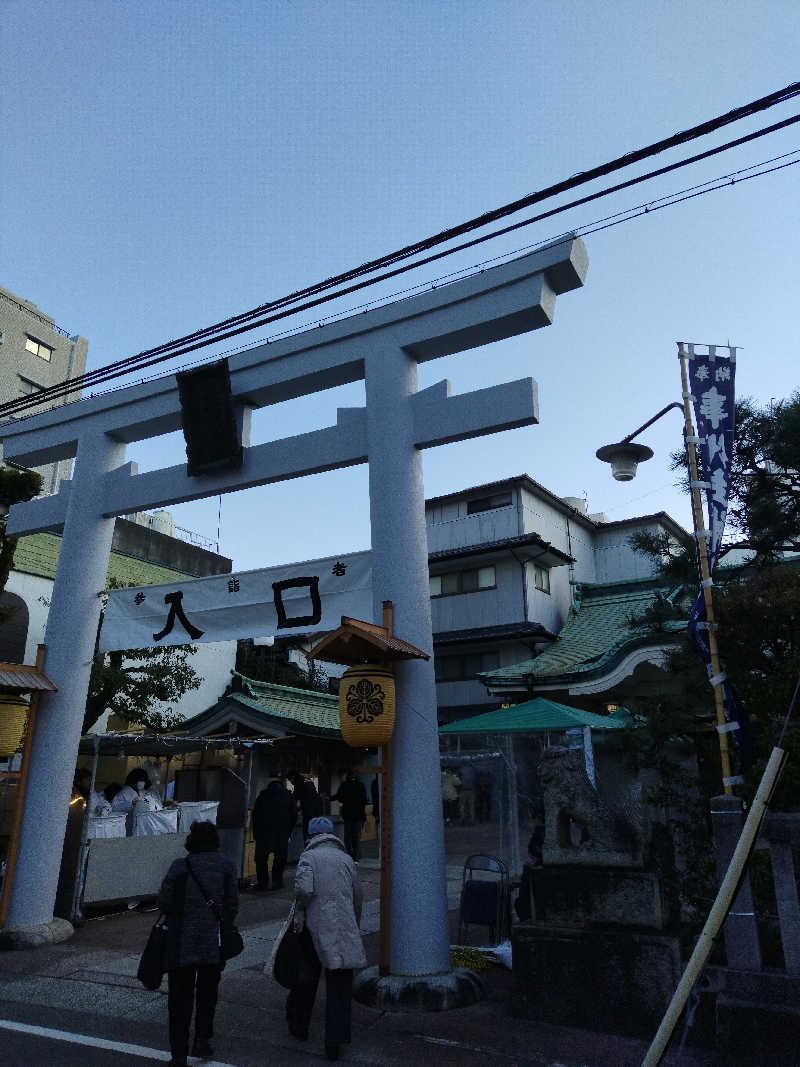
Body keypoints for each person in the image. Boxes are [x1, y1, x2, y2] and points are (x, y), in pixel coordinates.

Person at [157, 820, 238, 1067]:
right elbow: (232, 904)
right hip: (213, 940)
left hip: (181, 941)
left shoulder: (180, 867)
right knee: (208, 993)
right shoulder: (226, 866)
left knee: (179, 999)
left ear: (191, 841)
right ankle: (203, 1039)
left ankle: (178, 1053)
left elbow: (164, 902)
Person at [287, 816, 366, 1061]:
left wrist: (300, 909)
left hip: (314, 926)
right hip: (343, 926)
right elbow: (358, 895)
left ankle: (299, 1026)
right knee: (340, 984)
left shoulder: (308, 857)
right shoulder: (346, 860)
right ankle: (335, 1040)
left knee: (306, 978)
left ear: (310, 836)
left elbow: (304, 890)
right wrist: (354, 920)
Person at [252, 777, 296, 890]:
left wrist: (256, 833)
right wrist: (288, 831)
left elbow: (255, 816)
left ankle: (263, 882)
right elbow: (294, 815)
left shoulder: (262, 796)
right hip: (282, 832)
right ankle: (277, 882)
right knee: (280, 858)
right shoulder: (288, 796)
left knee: (261, 858)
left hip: (264, 832)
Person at [331, 769, 368, 861]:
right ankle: (356, 856)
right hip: (359, 814)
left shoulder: (344, 785)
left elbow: (339, 797)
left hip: (348, 815)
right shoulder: (361, 785)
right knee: (356, 836)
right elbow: (365, 799)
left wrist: (329, 798)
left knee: (348, 836)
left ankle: (349, 854)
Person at [289, 770, 322, 839]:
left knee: (307, 831)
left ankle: (308, 846)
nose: (291, 782)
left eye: (290, 780)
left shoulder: (298, 782)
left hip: (309, 811)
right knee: (315, 831)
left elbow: (295, 798)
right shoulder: (307, 780)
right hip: (317, 809)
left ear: (293, 777)